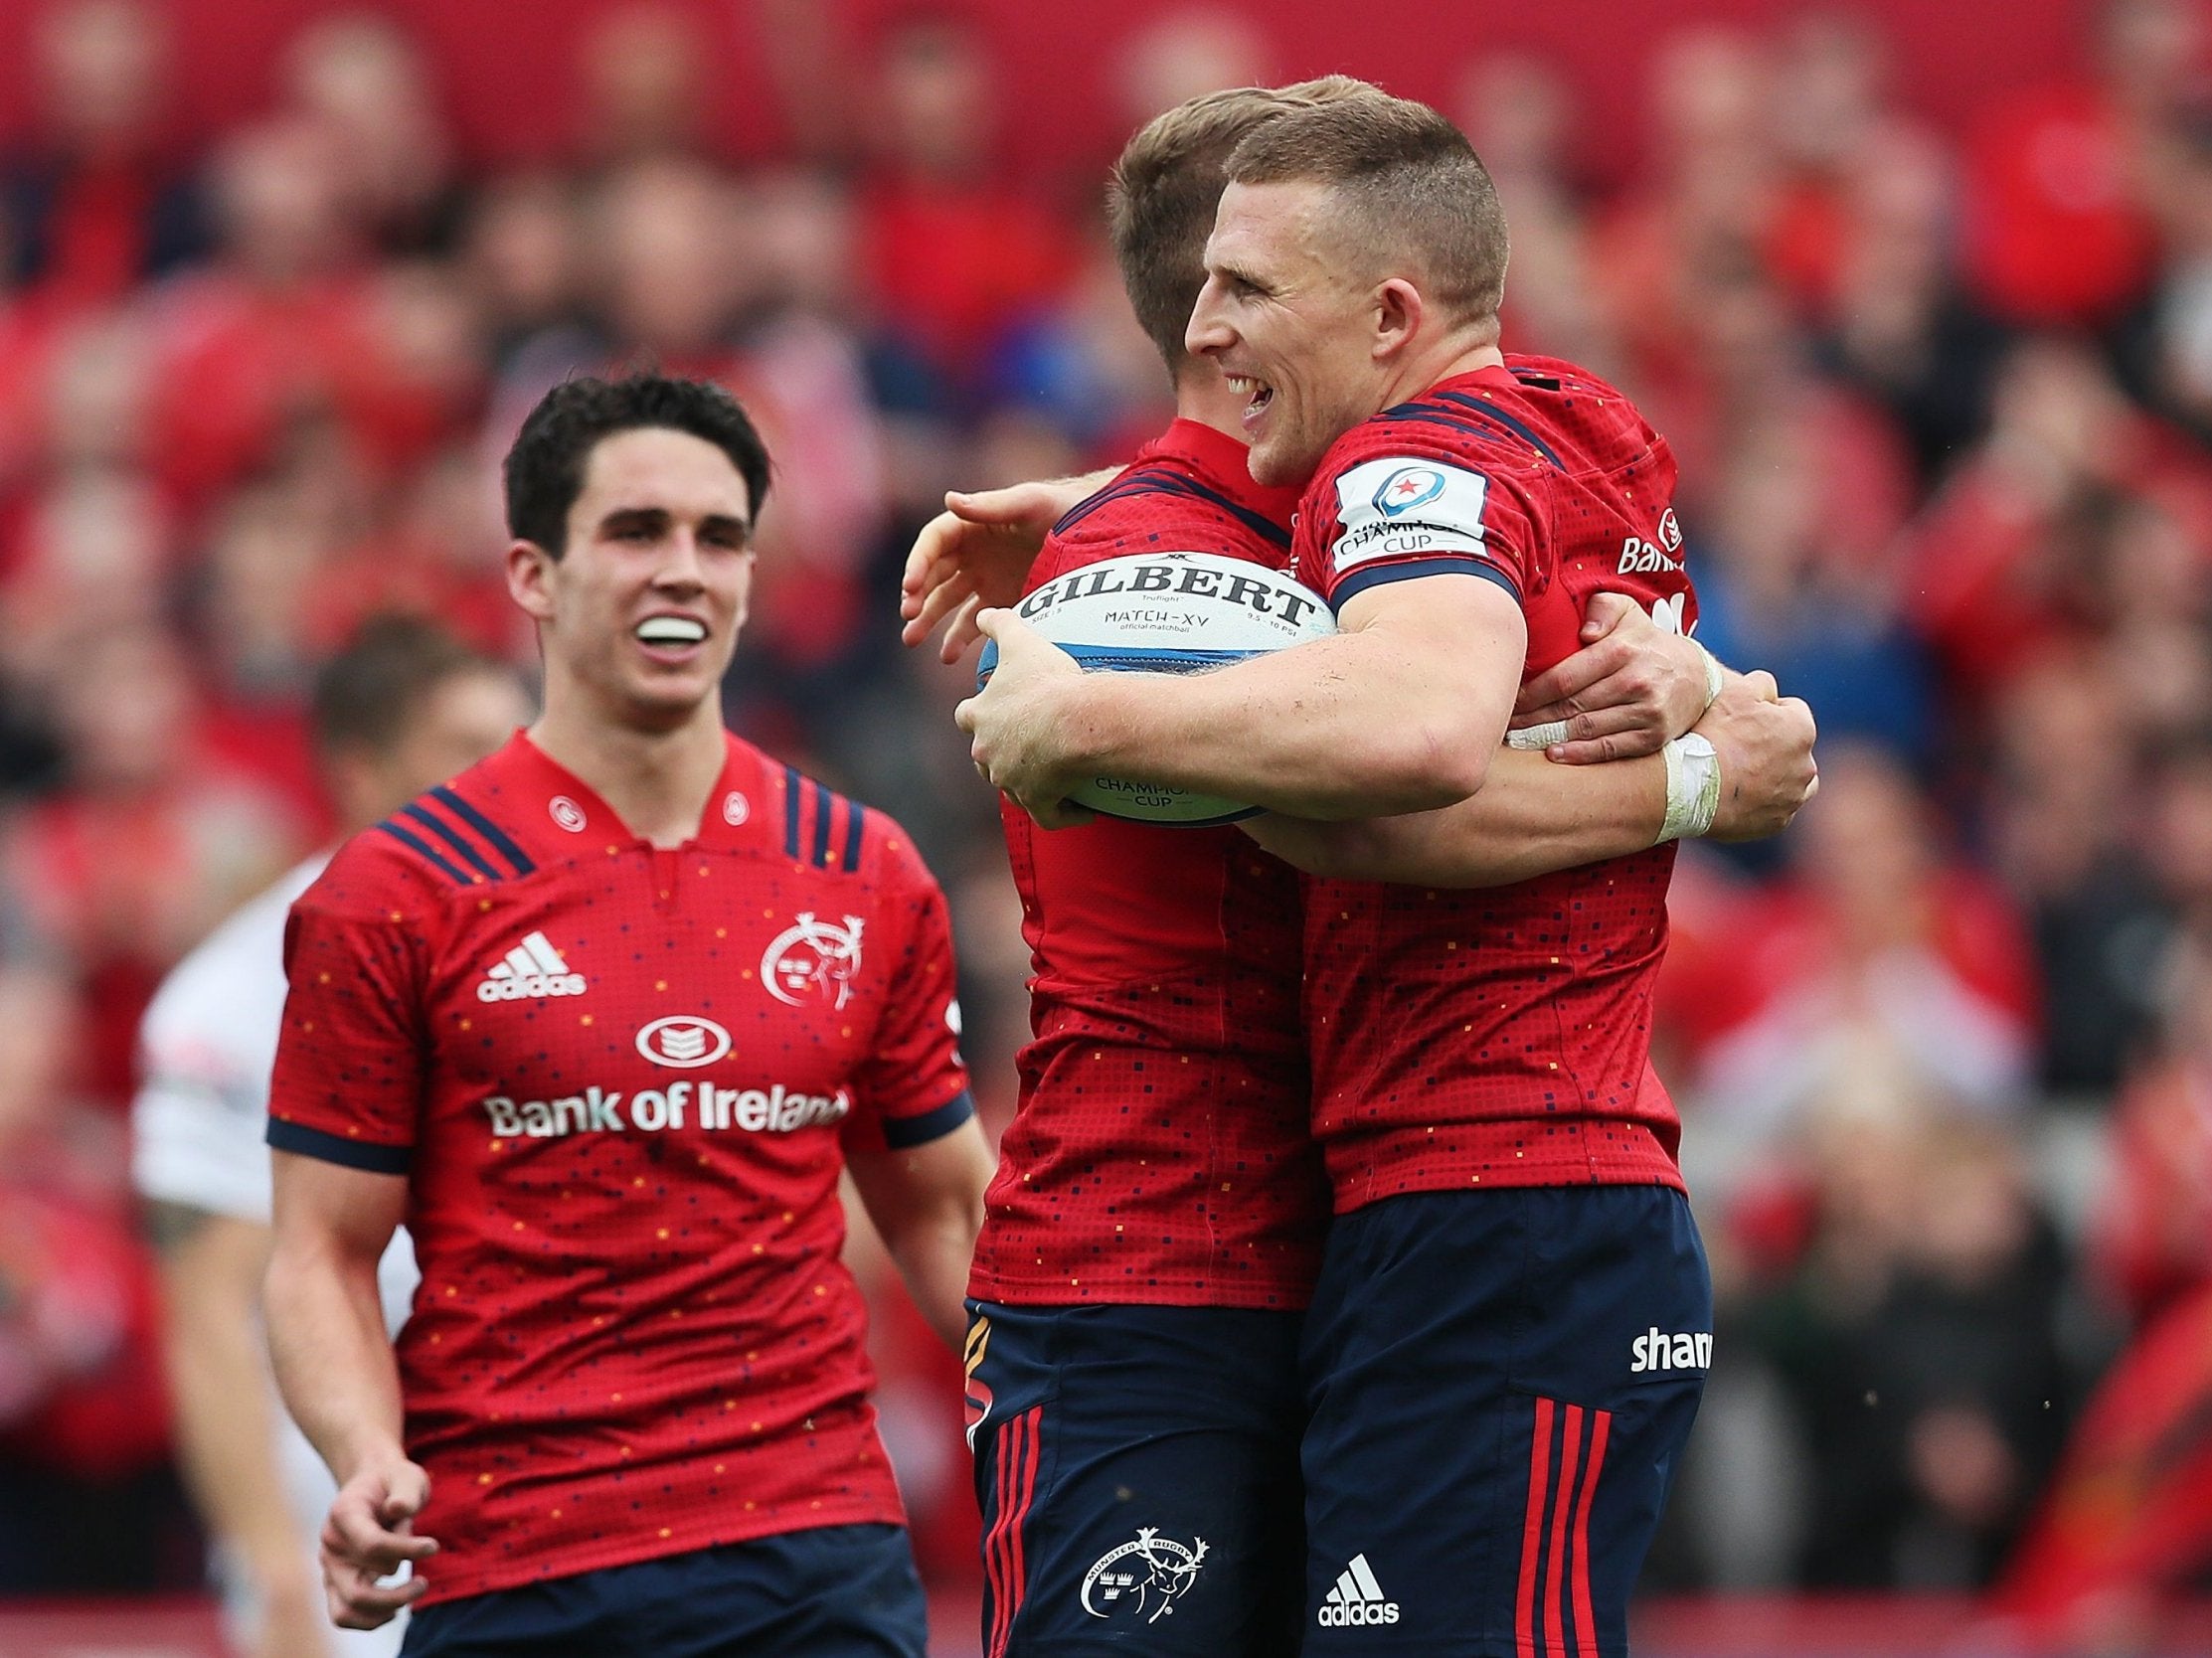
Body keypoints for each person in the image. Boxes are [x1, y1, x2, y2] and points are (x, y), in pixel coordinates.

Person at [907, 84, 1816, 1658]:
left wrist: (1696, 718)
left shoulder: (1402, 488)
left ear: (1376, 310)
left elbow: (1400, 740)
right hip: (1168, 1282)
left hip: (1447, 1219)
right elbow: (1374, 731)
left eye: (1253, 284)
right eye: (1221, 283)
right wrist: (1698, 750)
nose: (1225, 316)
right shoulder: (1198, 546)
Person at [262, 373, 994, 1658]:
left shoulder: (862, 872)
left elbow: (940, 1207)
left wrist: (1079, 1408)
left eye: (719, 539)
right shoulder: (392, 895)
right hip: (516, 1564)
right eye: (635, 532)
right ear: (533, 577)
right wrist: (364, 1452)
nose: (684, 571)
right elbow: (320, 1250)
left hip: (816, 1557)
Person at [134, 616, 528, 1658]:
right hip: (352, 1541)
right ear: (361, 773)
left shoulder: (583, 949)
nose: (507, 779)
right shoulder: (226, 1005)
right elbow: (209, 1318)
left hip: (555, 1505)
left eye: (516, 745)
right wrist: (268, 1569)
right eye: (465, 749)